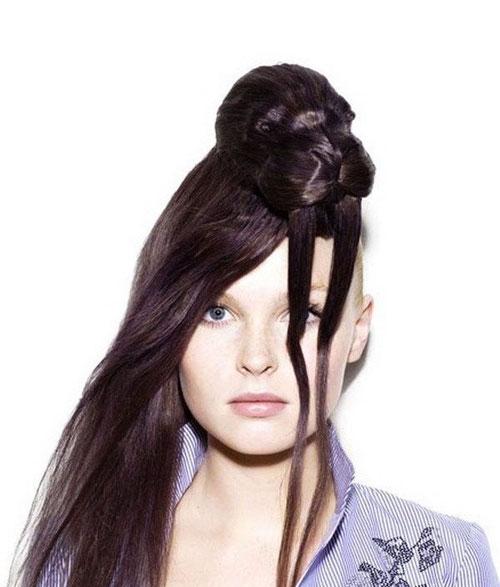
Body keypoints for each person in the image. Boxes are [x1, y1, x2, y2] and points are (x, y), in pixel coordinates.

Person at [8, 63, 498, 587]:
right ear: (173, 324)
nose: (257, 358)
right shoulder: (87, 556)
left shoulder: (443, 563)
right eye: (217, 313)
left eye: (303, 314)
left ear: (357, 329)